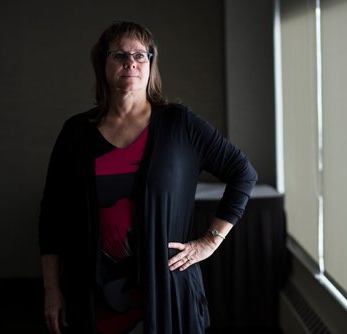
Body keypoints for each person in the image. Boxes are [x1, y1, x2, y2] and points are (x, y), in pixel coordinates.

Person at [39, 21, 257, 334]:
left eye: (141, 55)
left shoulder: (180, 124)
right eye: (119, 55)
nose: (131, 62)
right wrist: (51, 289)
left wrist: (211, 241)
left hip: (166, 291)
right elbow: (51, 216)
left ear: (151, 64)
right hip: (92, 293)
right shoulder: (75, 132)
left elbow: (243, 174)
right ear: (102, 64)